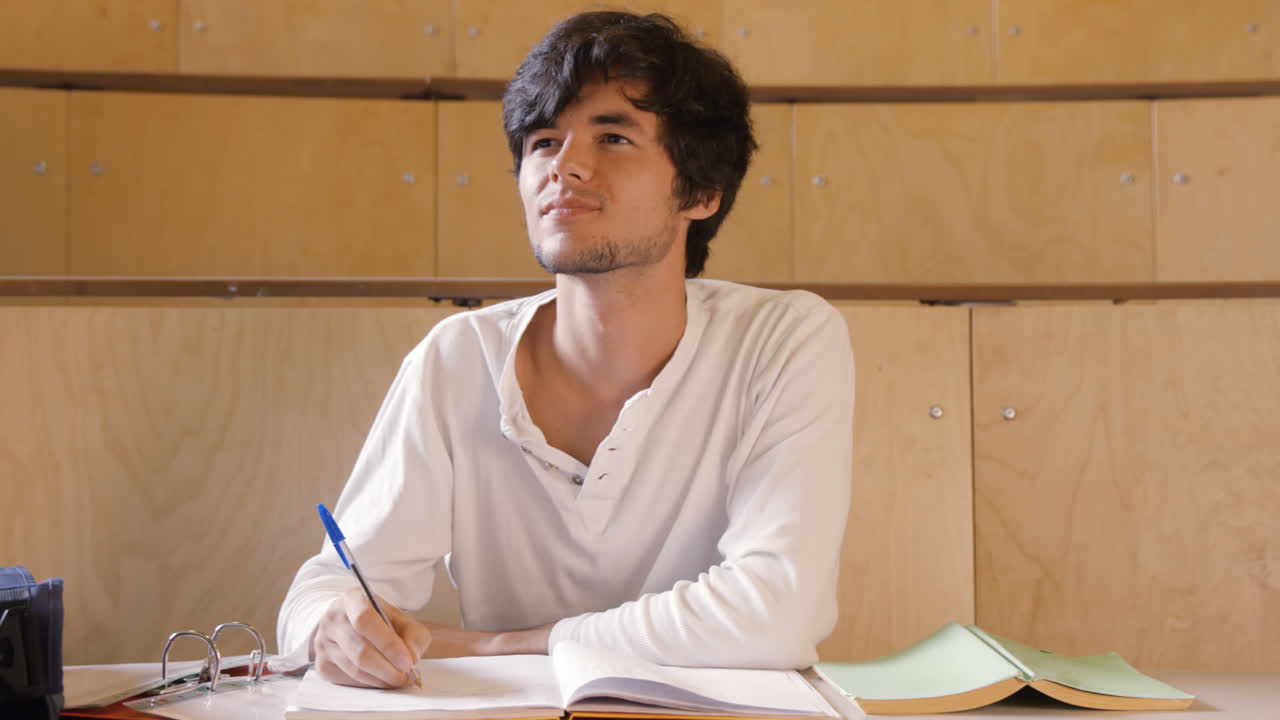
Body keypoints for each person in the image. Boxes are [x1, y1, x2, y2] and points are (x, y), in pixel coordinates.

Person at [277, 11, 854, 689]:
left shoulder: (783, 339)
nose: (563, 166)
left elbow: (778, 613)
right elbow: (326, 590)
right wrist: (334, 625)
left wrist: (502, 646)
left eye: (613, 136)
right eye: (544, 141)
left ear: (700, 193)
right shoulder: (458, 357)